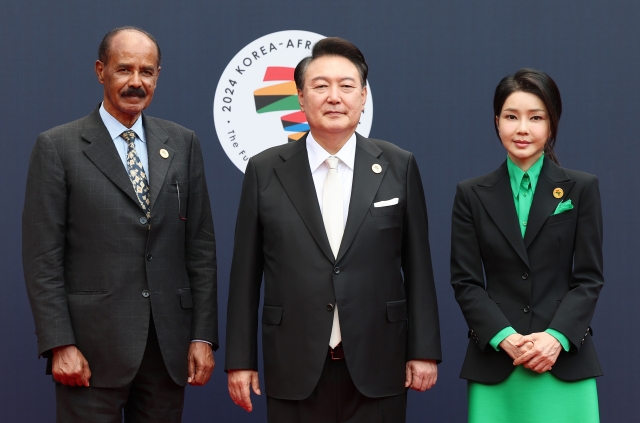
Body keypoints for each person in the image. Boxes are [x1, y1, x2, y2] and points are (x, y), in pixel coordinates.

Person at [225, 37, 442, 423]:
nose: (334, 97)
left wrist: (423, 350)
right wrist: (240, 360)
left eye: (346, 86)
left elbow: (419, 267)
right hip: (293, 363)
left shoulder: (398, 165)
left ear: (363, 97)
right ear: (301, 98)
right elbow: (245, 274)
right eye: (321, 86)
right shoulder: (264, 170)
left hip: (378, 361)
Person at [22, 26, 218, 422]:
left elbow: (200, 247)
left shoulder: (183, 143)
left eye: (146, 71)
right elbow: (43, 257)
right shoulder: (58, 146)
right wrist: (60, 344)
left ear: (158, 75)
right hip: (90, 354)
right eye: (124, 69)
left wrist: (202, 336)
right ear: (100, 71)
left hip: (167, 352)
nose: (136, 82)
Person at [450, 68, 604, 422]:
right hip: (497, 361)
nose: (522, 128)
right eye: (511, 117)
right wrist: (504, 337)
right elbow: (466, 282)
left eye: (536, 117)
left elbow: (589, 278)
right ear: (496, 122)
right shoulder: (471, 194)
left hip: (564, 360)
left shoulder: (580, 189)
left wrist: (555, 338)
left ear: (552, 125)